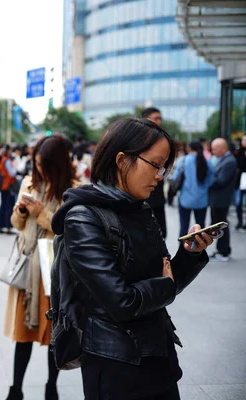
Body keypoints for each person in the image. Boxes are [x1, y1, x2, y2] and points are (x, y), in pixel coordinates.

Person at [51, 117, 213, 400]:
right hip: (115, 365)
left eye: (164, 167)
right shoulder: (82, 218)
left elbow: (166, 278)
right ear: (122, 160)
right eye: (155, 164)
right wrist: (163, 285)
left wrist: (191, 254)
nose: (160, 175)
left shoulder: (140, 210)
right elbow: (122, 302)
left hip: (159, 356)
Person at [4, 135, 75, 400]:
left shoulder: (74, 189)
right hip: (28, 269)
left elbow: (70, 229)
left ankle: (51, 386)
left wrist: (42, 213)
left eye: (44, 164)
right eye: (36, 163)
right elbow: (16, 223)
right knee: (22, 334)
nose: (40, 169)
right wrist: (22, 211)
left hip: (53, 271)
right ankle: (16, 389)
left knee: (52, 334)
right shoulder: (29, 182)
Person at [172, 141, 214, 237]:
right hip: (202, 199)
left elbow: (175, 178)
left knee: (184, 227)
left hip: (185, 199)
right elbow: (211, 179)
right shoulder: (207, 161)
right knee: (201, 228)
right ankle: (200, 248)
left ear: (190, 148)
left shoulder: (183, 160)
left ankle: (183, 249)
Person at [208, 138, 238, 261]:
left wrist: (207, 180)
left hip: (221, 199)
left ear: (223, 148)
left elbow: (222, 181)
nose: (213, 151)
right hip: (218, 199)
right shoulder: (225, 160)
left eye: (215, 149)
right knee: (218, 225)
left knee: (221, 225)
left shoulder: (229, 161)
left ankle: (224, 251)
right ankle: (221, 250)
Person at [142, 107, 167, 238]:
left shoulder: (163, 140)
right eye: (155, 118)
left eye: (160, 119)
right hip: (141, 196)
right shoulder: (137, 141)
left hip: (157, 195)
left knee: (160, 233)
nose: (159, 122)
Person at [235, 135, 246, 230]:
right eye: (243, 140)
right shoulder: (239, 152)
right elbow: (239, 165)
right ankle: (240, 221)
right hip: (240, 180)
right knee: (238, 203)